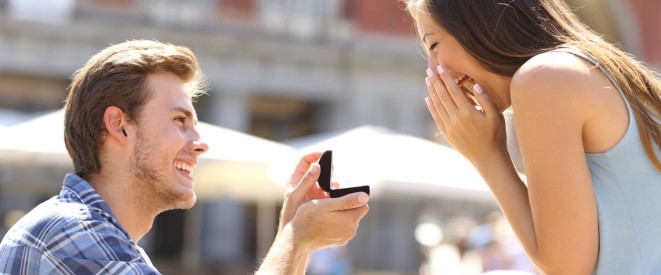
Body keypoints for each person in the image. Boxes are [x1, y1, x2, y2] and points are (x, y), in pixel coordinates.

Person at [0, 40, 369, 274]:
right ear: (119, 126)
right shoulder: (72, 233)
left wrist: (294, 233)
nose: (200, 142)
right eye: (180, 121)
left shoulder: (107, 242)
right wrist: (296, 239)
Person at [405, 0, 661, 274]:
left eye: (433, 46)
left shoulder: (544, 78)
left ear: (480, 23)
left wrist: (487, 155)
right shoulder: (593, 71)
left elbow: (566, 266)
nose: (432, 70)